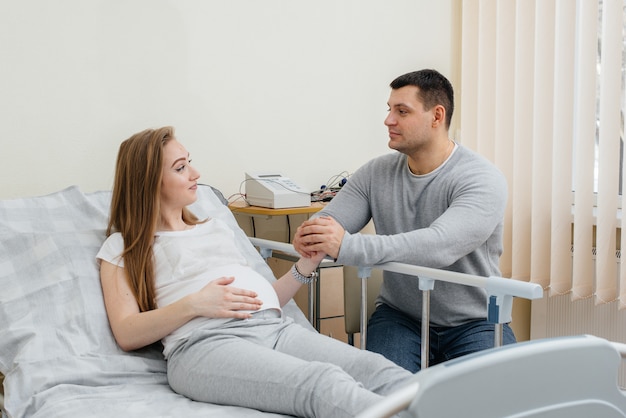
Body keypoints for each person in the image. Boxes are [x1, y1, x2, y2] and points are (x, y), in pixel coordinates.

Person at [96, 126, 413, 418]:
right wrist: (195, 304)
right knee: (322, 383)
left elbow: (261, 298)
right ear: (149, 181)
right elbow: (126, 332)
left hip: (273, 329)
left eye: (189, 162)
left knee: (377, 370)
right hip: (205, 346)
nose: (195, 173)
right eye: (180, 168)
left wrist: (306, 264)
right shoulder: (123, 245)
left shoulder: (214, 227)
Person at [293, 69, 515, 373]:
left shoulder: (482, 180)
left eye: (402, 111)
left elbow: (439, 245)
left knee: (490, 402)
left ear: (436, 116)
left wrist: (347, 246)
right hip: (401, 317)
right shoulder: (375, 173)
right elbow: (330, 220)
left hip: (474, 322)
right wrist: (312, 233)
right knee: (382, 397)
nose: (388, 120)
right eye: (389, 110)